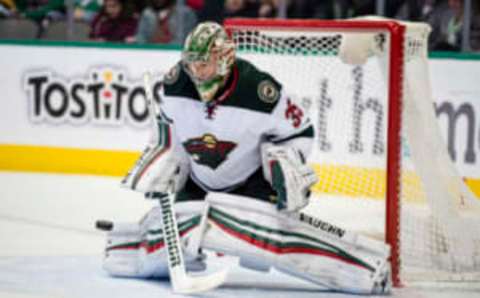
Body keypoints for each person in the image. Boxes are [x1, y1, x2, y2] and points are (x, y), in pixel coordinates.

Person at [99, 21, 392, 294]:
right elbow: (168, 127)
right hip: (198, 181)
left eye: (204, 63)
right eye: (192, 63)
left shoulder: (260, 91)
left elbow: (300, 131)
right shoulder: (175, 83)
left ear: (225, 58)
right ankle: (128, 247)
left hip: (249, 185)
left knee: (264, 245)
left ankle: (364, 269)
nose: (197, 72)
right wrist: (166, 156)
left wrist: (284, 162)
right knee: (170, 240)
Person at [131, 0, 197, 44]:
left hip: (175, 54)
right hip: (150, 54)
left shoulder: (184, 13)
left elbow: (182, 40)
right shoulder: (147, 13)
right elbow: (141, 37)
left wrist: (164, 50)